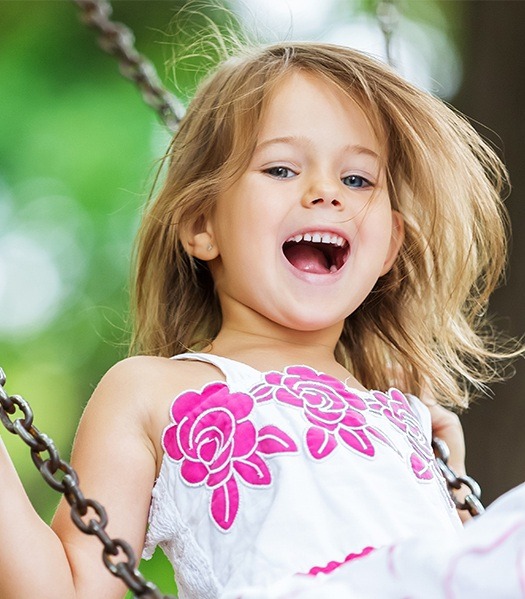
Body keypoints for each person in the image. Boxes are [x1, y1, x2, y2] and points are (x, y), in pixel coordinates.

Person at [1, 41, 524, 599]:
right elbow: (69, 590)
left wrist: (450, 484)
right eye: (280, 168)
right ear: (203, 223)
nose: (325, 193)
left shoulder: (407, 420)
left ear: (390, 245)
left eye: (357, 180)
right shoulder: (153, 391)